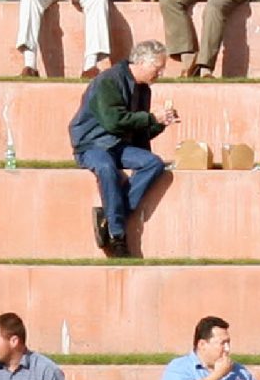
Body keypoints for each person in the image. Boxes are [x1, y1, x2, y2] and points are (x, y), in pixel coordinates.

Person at [68, 39, 179, 258]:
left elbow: (138, 130)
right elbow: (113, 121)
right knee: (107, 168)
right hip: (92, 144)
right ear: (142, 63)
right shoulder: (108, 81)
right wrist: (150, 117)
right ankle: (118, 237)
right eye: (158, 68)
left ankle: (111, 215)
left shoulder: (143, 89)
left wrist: (159, 123)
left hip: (119, 145)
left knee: (153, 163)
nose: (160, 74)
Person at [159, 317, 260, 380]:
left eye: (228, 342)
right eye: (222, 343)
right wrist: (219, 374)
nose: (227, 349)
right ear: (202, 345)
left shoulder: (240, 372)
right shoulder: (179, 368)